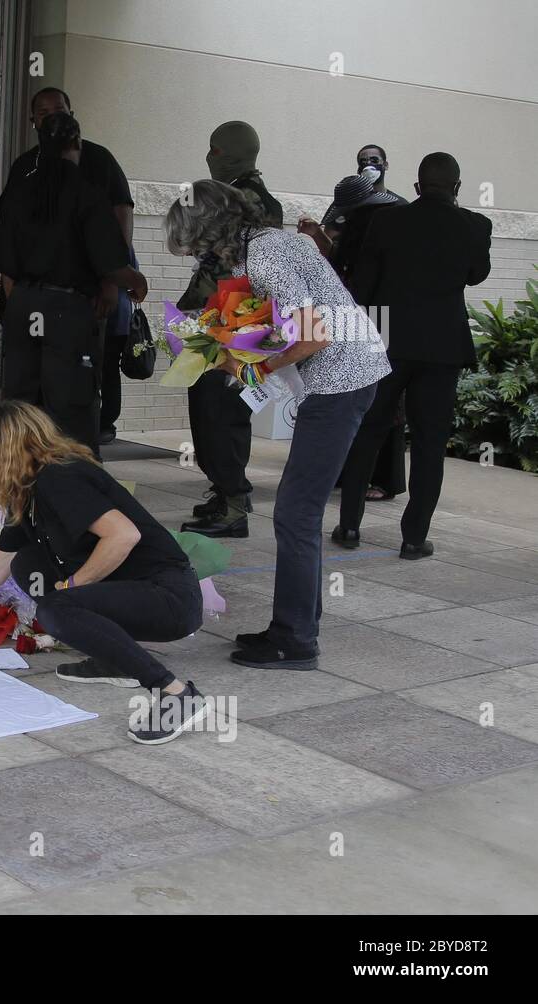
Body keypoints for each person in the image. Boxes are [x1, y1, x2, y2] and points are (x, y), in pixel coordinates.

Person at [0, 401, 207, 745]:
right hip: (138, 592)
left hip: (170, 598)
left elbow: (123, 535)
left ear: (4, 448)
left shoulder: (60, 476)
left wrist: (73, 588)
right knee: (26, 563)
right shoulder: (28, 492)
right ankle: (115, 660)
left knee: (56, 609)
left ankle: (176, 693)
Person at [166, 180, 390, 669]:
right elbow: (287, 322)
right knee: (299, 512)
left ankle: (295, 639)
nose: (195, 257)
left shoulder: (266, 257)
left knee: (296, 512)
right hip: (351, 370)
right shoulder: (272, 242)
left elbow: (313, 336)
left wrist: (250, 368)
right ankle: (297, 623)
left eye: (194, 245)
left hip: (339, 380)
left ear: (209, 232)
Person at [333, 153, 493, 558]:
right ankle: (413, 538)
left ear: (418, 186)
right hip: (442, 348)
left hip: (387, 343)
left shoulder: (385, 221)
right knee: (429, 441)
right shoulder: (475, 225)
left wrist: (355, 340)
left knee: (368, 431)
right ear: (457, 188)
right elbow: (476, 274)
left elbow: (364, 288)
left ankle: (349, 526)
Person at [0, 112, 147, 449]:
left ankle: (16, 477)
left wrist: (20, 303)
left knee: (21, 400)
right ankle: (72, 481)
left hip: (23, 305)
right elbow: (110, 263)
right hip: (68, 308)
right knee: (71, 404)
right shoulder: (85, 193)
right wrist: (135, 280)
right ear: (76, 143)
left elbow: (4, 263)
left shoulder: (19, 192)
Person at [179, 121, 283, 538]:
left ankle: (234, 503)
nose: (210, 158)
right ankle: (225, 492)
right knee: (214, 412)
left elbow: (228, 263)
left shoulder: (244, 198)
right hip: (230, 318)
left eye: (216, 151)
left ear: (234, 153)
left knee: (218, 413)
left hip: (229, 322)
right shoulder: (249, 194)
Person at [304, 174, 407, 506]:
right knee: (371, 396)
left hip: (374, 316)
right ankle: (358, 473)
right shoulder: (369, 227)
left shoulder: (373, 229)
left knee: (379, 399)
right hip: (369, 316)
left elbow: (350, 274)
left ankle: (378, 477)